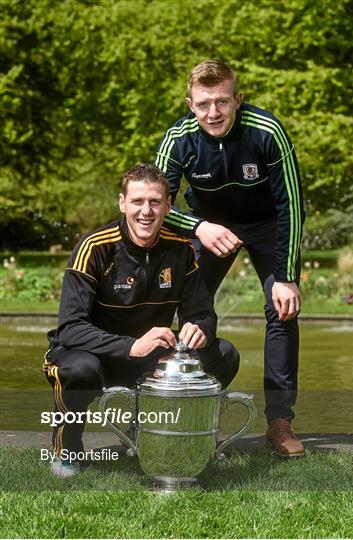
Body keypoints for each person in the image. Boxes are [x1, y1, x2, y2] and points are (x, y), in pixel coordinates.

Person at [44, 163, 239, 477]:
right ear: (123, 203)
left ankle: (163, 432)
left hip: (149, 355)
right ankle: (67, 448)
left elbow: (202, 313)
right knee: (78, 369)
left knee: (224, 354)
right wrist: (131, 345)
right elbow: (70, 328)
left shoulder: (182, 250)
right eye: (137, 202)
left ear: (167, 205)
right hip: (93, 353)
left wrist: (200, 328)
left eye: (154, 202)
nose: (145, 211)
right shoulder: (94, 247)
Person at [155, 60, 305, 457]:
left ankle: (279, 421)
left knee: (282, 308)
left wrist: (287, 276)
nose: (213, 113)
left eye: (222, 101)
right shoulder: (178, 139)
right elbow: (157, 203)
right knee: (192, 307)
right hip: (210, 226)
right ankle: (199, 407)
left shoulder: (267, 131)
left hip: (266, 225)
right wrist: (199, 226)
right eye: (203, 104)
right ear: (190, 104)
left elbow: (290, 203)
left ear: (238, 99)